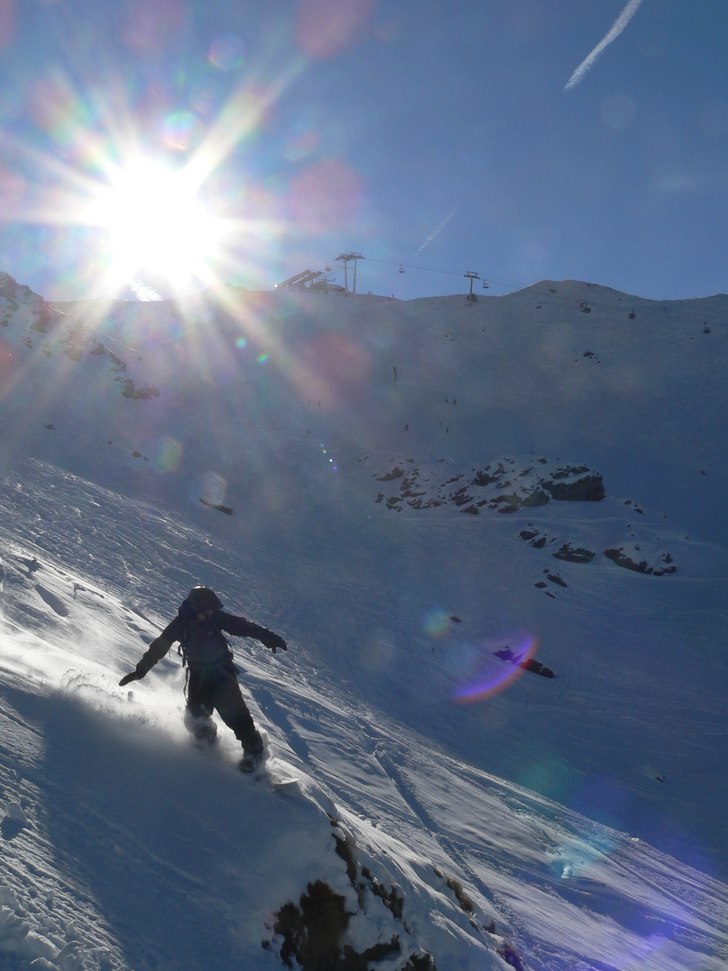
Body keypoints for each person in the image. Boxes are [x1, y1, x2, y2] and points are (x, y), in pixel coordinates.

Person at [119, 586, 287, 771]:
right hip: (199, 676)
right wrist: (141, 670)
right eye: (207, 609)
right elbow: (160, 646)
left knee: (237, 716)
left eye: (212, 609)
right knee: (196, 717)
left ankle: (254, 756)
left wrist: (268, 636)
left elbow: (242, 626)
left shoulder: (215, 617)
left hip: (222, 674)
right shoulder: (181, 624)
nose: (210, 613)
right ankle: (208, 749)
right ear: (195, 608)